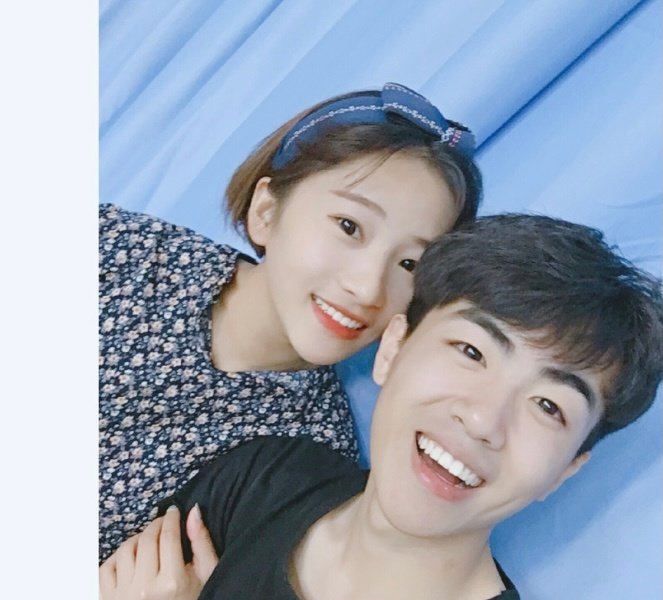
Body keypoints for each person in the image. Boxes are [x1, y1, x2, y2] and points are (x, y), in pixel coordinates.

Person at [99, 213, 663, 600]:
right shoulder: (264, 476)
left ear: (565, 472)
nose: (482, 420)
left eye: (548, 406)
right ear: (393, 348)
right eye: (471, 351)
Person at [100, 82, 482, 564]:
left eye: (409, 264)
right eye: (349, 227)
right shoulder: (117, 250)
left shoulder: (305, 463)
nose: (368, 288)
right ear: (266, 211)